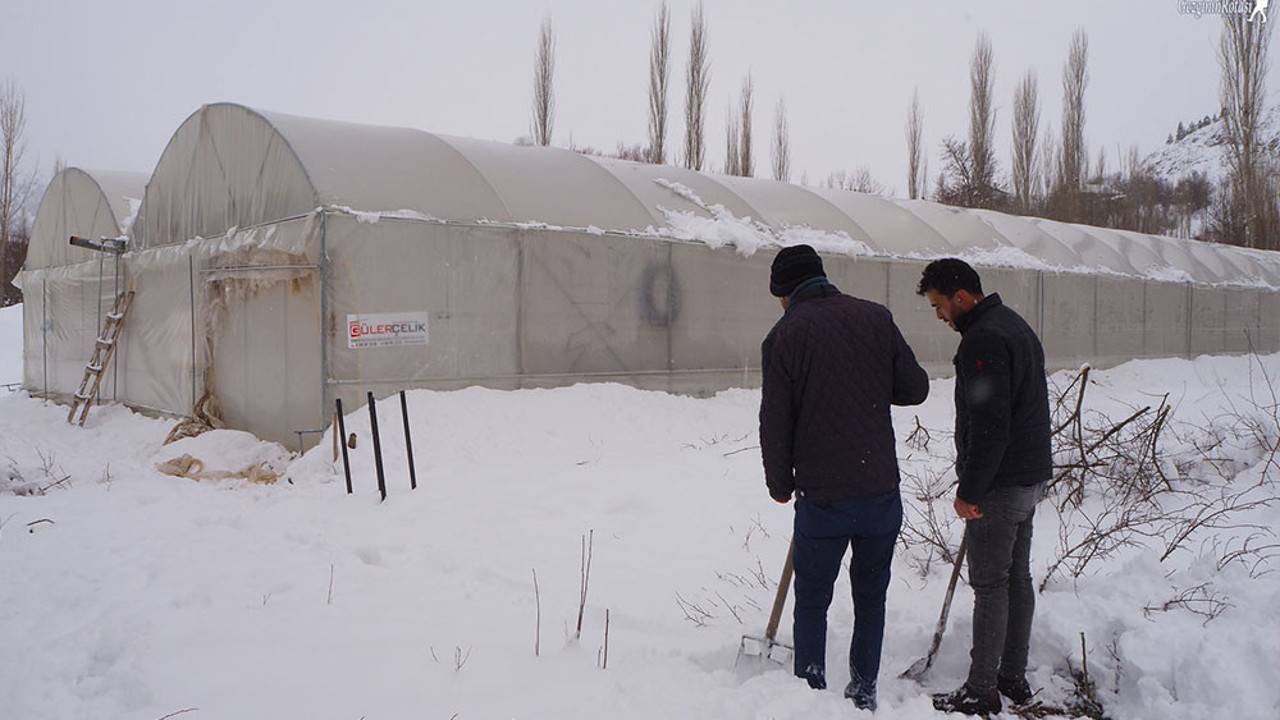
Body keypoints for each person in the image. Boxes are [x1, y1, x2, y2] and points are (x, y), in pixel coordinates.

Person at [759, 244, 930, 711]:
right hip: (880, 491)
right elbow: (915, 387)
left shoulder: (784, 335)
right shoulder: (876, 317)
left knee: (813, 600)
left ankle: (811, 696)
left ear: (785, 292)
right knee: (871, 597)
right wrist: (868, 379)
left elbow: (776, 421)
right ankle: (864, 689)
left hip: (823, 497)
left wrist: (779, 484)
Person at [916, 258, 1052, 716]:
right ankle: (1011, 676)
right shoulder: (1013, 324)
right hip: (1028, 476)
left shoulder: (984, 339)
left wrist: (970, 490)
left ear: (960, 297)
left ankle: (981, 690)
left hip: (1001, 482)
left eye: (939, 306)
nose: (939, 316)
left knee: (991, 585)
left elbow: (990, 423)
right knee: (1016, 578)